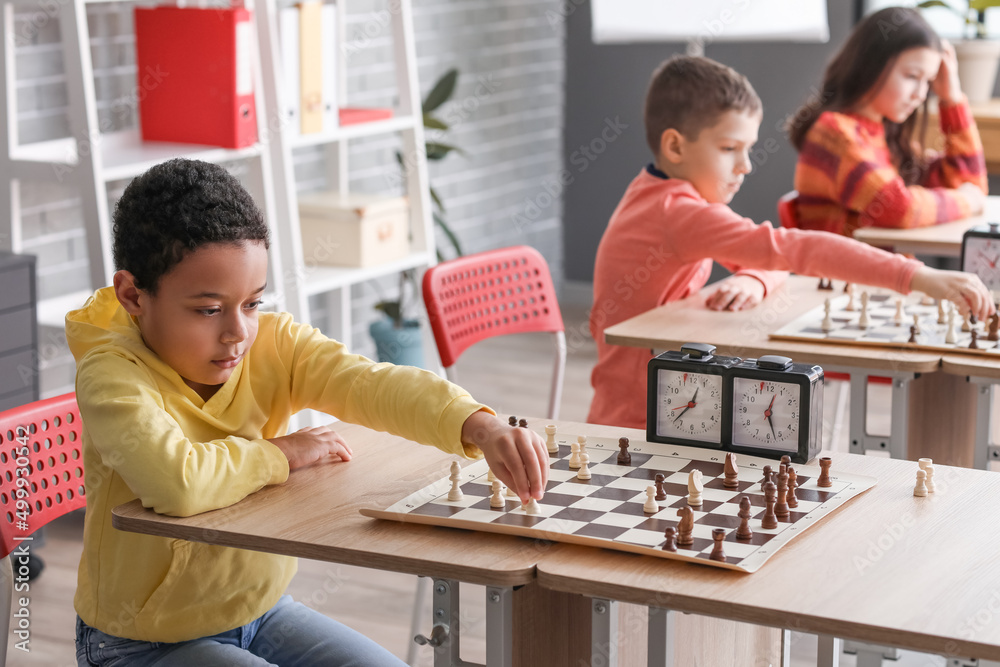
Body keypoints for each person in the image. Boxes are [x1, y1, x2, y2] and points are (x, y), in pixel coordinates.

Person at [67, 158, 548, 666]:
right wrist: (282, 453)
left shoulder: (275, 344)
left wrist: (478, 423)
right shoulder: (110, 374)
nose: (237, 332)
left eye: (251, 303)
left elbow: (370, 384)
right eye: (209, 310)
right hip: (140, 644)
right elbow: (177, 483)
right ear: (132, 295)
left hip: (262, 614)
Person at [587, 55, 994, 430]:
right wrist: (916, 276)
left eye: (748, 148)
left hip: (673, 400)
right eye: (729, 149)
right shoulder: (681, 214)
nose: (746, 166)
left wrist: (755, 280)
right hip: (640, 418)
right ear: (675, 146)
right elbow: (798, 249)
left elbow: (770, 255)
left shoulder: (659, 194)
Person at [790, 6, 987, 236]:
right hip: (847, 272)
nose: (921, 94)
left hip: (888, 269)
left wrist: (951, 99)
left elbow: (970, 182)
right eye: (912, 76)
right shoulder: (834, 134)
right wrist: (967, 201)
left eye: (928, 81)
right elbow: (899, 208)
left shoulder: (883, 134)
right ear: (870, 64)